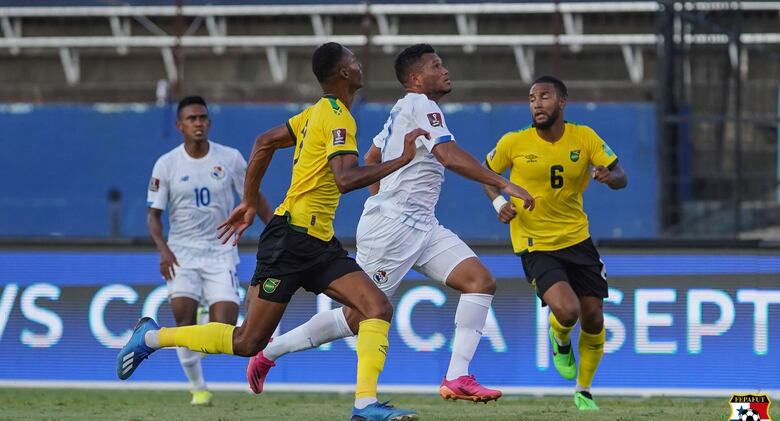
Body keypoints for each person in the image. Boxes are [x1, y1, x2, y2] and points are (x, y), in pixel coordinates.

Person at [119, 42, 423, 421]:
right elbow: (345, 180)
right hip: (291, 240)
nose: (361, 66)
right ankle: (151, 337)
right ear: (343, 73)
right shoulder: (338, 116)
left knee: (375, 307)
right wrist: (403, 160)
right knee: (247, 341)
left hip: (318, 242)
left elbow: (264, 142)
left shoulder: (315, 114)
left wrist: (248, 201)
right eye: (355, 61)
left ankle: (365, 404)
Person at [245, 43, 535, 403]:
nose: (445, 70)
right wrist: (502, 182)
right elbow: (447, 155)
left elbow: (372, 155)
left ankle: (457, 376)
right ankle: (268, 353)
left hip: (423, 225)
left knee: (480, 281)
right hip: (394, 230)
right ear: (416, 79)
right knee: (356, 318)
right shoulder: (420, 105)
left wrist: (383, 199)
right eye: (436, 65)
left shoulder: (403, 110)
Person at [482, 75, 628, 411]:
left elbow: (621, 174)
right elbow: (486, 174)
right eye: (532, 98)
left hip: (578, 239)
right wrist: (498, 203)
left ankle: (584, 390)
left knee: (593, 318)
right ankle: (560, 339)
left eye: (544, 97)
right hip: (535, 242)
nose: (537, 104)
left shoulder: (585, 137)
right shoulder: (513, 143)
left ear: (562, 102)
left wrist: (610, 177)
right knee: (568, 310)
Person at [146, 95, 273, 405]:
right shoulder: (167, 164)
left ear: (209, 122)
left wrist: (275, 229)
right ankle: (198, 388)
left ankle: (206, 316)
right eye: (191, 119)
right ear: (180, 126)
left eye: (202, 117)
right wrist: (163, 250)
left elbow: (252, 196)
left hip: (221, 252)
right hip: (182, 254)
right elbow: (153, 215)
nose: (198, 123)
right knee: (182, 320)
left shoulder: (229, 159)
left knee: (226, 327)